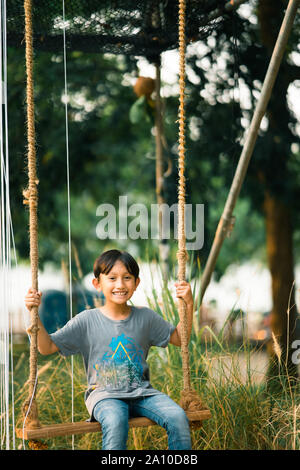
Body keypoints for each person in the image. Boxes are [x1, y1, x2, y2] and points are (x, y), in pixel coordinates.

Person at [25, 249, 194, 450]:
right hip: (104, 395)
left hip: (142, 393)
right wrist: (33, 315)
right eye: (112, 278)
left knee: (177, 417)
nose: (120, 285)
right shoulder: (87, 321)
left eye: (127, 278)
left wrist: (189, 304)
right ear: (97, 284)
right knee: (115, 421)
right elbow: (47, 347)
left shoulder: (146, 317)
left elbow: (179, 339)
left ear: (136, 283)